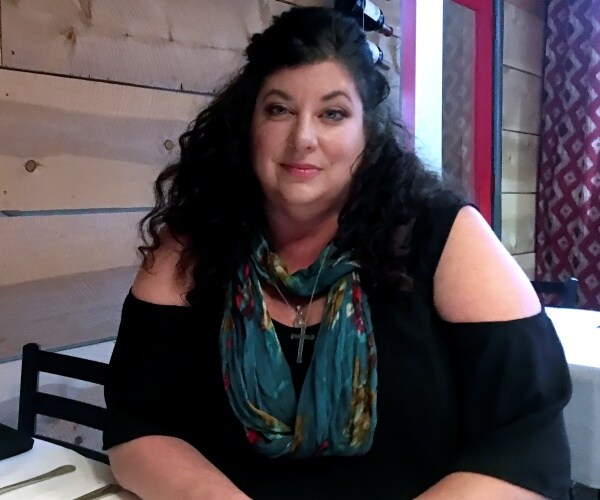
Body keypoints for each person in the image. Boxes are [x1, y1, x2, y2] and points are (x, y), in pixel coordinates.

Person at [103, 7, 572, 500]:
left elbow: (529, 445)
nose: (303, 138)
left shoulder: (444, 235)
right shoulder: (192, 242)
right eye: (279, 109)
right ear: (247, 126)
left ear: (368, 134)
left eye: (333, 113)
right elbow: (138, 423)